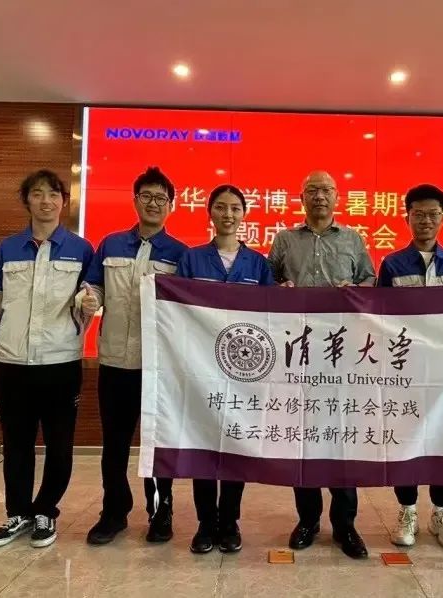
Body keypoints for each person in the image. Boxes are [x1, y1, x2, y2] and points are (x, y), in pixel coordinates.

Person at [267, 170, 375, 560]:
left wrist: (356, 291)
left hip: (340, 354)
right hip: (296, 353)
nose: (319, 196)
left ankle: (345, 524)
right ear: (301, 198)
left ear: (337, 197)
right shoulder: (284, 240)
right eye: (312, 190)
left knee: (342, 438)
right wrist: (278, 290)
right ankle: (308, 520)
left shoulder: (353, 239)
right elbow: (266, 283)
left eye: (326, 189)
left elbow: (370, 281)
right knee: (303, 438)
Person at [79, 166, 188, 546]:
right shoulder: (110, 245)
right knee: (115, 443)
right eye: (147, 197)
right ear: (135, 200)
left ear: (171, 205)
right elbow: (94, 287)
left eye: (161, 198)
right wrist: (88, 298)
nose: (153, 204)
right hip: (114, 361)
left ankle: (160, 513)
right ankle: (113, 512)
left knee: (157, 445)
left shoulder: (180, 254)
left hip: (158, 366)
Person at [0, 170, 94, 549]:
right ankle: (17, 512)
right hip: (13, 362)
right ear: (27, 200)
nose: (46, 201)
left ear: (64, 201)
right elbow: (0, 300)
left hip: (60, 362)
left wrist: (86, 307)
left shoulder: (81, 249)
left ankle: (46, 510)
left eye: (53, 194)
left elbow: (87, 300)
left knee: (59, 443)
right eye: (37, 194)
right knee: (16, 442)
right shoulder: (8, 247)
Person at [175, 184, 274, 554]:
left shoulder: (258, 264)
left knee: (235, 443)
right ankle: (205, 523)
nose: (228, 214)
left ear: (244, 214)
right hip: (201, 369)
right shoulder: (192, 259)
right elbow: (176, 311)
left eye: (235, 208)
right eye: (220, 207)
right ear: (210, 213)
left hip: (244, 372)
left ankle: (229, 522)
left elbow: (270, 316)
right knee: (203, 445)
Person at [375, 183, 443, 549]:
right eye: (419, 214)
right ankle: (408, 509)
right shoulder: (392, 264)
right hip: (405, 370)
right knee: (405, 438)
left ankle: (442, 512)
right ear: (407, 218)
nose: (426, 221)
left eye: (433, 214)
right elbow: (379, 316)